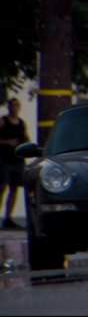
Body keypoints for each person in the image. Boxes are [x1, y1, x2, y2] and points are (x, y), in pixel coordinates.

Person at [0, 98, 29, 229]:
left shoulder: (22, 123)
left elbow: (26, 138)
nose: (15, 108)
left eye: (17, 105)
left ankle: (8, 218)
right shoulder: (3, 121)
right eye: (13, 105)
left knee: (14, 188)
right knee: (2, 187)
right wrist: (7, 142)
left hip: (18, 160)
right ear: (9, 107)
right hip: (5, 160)